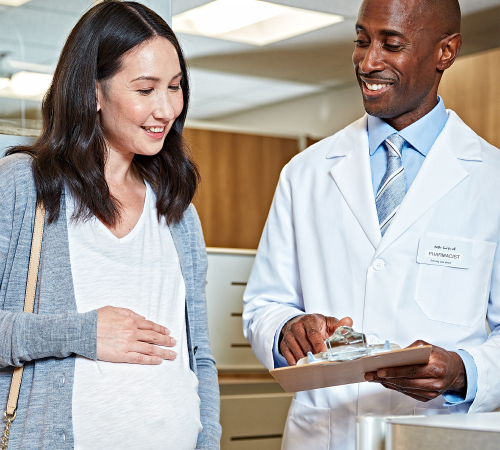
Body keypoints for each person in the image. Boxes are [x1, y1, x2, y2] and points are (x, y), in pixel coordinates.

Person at [243, 0, 500, 448]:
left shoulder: (491, 180)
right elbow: (264, 304)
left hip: (435, 432)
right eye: (361, 41)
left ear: (446, 51)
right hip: (324, 432)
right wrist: (288, 328)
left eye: (391, 44)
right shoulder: (305, 172)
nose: (368, 61)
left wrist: (463, 371)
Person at [0, 2, 220, 449]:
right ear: (93, 91)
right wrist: (80, 332)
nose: (166, 109)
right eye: (145, 89)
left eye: (175, 87)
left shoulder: (178, 211)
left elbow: (199, 357)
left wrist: (208, 440)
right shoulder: (25, 186)